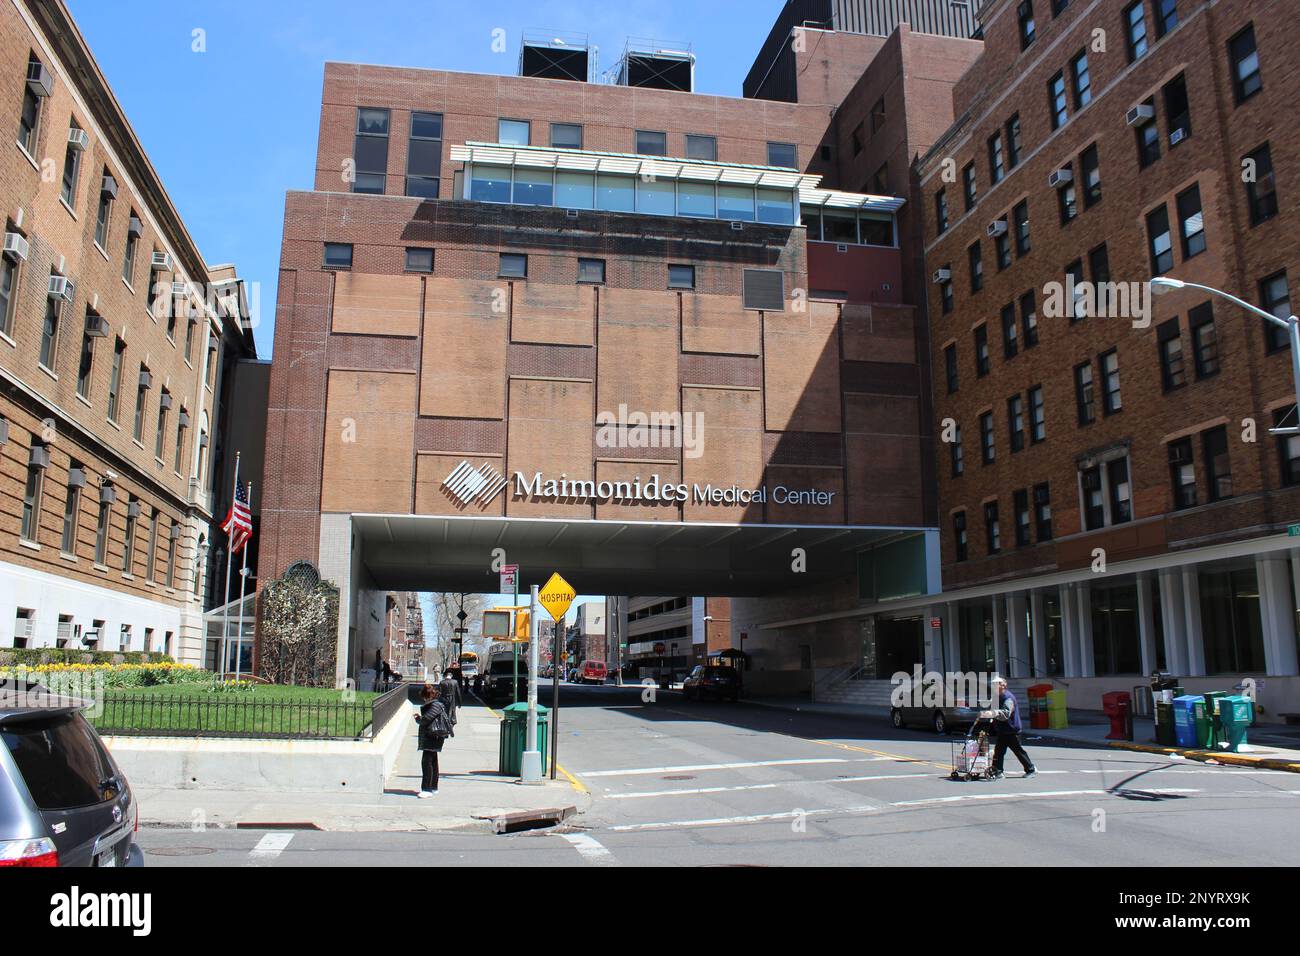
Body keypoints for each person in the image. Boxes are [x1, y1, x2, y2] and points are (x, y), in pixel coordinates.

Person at [986, 676, 1036, 779]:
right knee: (999, 752)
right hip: (1002, 729)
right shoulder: (996, 697)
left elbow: (1006, 713)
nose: (994, 687)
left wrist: (993, 713)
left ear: (1003, 685)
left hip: (1011, 729)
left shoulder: (1008, 698)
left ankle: (1031, 769)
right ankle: (998, 771)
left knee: (1018, 751)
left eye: (996, 684)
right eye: (993, 685)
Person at [415, 684, 450, 798]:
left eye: (424, 697)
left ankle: (427, 789)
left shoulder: (435, 705)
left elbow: (426, 719)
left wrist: (418, 719)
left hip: (433, 735)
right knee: (433, 761)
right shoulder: (436, 704)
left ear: (428, 695)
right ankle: (433, 787)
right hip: (434, 735)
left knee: (427, 762)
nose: (424, 699)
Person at [438, 667, 461, 735]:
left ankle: (445, 728)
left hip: (444, 699)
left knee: (444, 713)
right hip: (452, 700)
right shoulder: (455, 682)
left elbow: (439, 693)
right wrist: (459, 703)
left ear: (445, 676)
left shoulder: (442, 682)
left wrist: (438, 701)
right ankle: (450, 726)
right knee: (452, 714)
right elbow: (458, 693)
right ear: (451, 676)